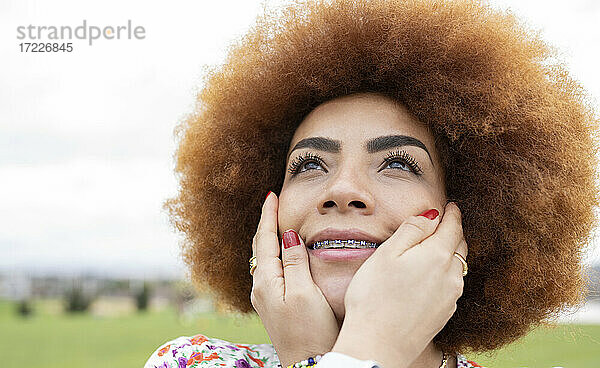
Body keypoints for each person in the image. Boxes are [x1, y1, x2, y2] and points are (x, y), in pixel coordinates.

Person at [144, 0, 600, 367]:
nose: (342, 189)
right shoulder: (189, 362)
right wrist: (360, 353)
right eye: (309, 165)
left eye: (398, 163)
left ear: (472, 214)